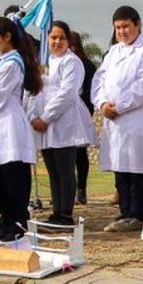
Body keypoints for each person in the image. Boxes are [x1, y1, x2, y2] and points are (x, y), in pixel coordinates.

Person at [91, 6, 143, 233]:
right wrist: (102, 103)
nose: (122, 32)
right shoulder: (113, 52)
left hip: (135, 119)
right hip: (114, 122)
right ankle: (124, 211)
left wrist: (120, 106)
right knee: (120, 169)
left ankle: (136, 214)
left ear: (137, 24)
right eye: (118, 27)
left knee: (136, 169)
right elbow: (98, 80)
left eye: (126, 26)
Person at [0, 16, 43, 241]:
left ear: (7, 37)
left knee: (12, 179)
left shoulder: (12, 63)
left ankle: (17, 223)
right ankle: (6, 221)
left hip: (8, 123)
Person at [29, 21, 98, 226]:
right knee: (52, 170)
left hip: (64, 121)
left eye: (61, 38)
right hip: (43, 123)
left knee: (65, 168)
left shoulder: (72, 62)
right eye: (53, 37)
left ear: (68, 40)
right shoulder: (42, 62)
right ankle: (56, 211)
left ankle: (66, 213)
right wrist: (33, 116)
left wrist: (46, 117)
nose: (57, 41)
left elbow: (66, 94)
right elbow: (33, 90)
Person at [68, 31, 97, 206]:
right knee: (65, 156)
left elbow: (90, 90)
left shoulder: (86, 65)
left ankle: (81, 188)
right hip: (65, 115)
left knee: (80, 153)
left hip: (82, 111)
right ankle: (69, 191)